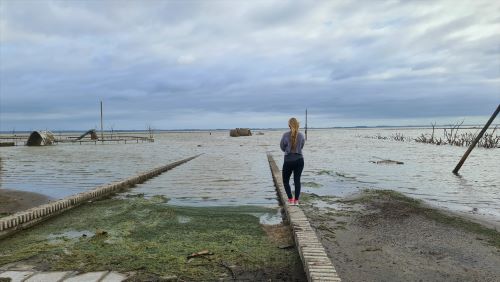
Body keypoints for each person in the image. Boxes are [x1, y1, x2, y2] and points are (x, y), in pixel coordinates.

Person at [280, 117, 305, 205]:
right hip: (299, 160)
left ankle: (290, 199)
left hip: (288, 161)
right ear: (297, 125)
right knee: (297, 180)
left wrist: (288, 150)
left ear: (289, 125)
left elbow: (282, 147)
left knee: (285, 181)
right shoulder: (301, 135)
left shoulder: (285, 135)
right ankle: (296, 201)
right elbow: (301, 146)